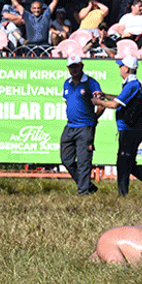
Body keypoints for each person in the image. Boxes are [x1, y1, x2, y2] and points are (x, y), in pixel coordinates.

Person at [92, 55, 142, 197]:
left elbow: (115, 104)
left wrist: (97, 102)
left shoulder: (131, 85)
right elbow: (120, 98)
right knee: (128, 163)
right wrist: (105, 95)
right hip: (131, 130)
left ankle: (124, 194)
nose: (120, 68)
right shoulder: (132, 84)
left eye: (121, 66)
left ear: (126, 68)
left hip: (129, 130)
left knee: (123, 163)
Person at [61, 55, 104, 196]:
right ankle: (88, 186)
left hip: (85, 126)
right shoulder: (67, 83)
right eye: (71, 66)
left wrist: (94, 118)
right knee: (66, 159)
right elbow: (67, 102)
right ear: (68, 68)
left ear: (82, 66)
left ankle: (83, 193)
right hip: (70, 125)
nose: (74, 69)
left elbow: (101, 104)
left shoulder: (91, 83)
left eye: (76, 66)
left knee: (84, 161)